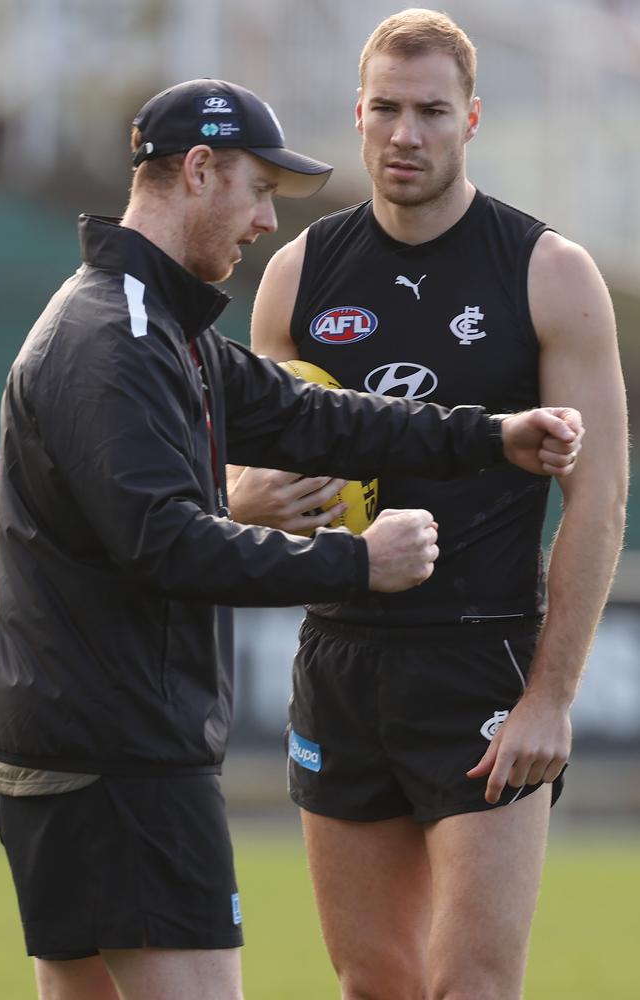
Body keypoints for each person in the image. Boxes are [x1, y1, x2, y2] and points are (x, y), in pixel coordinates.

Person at [0, 76, 583, 1000]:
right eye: (258, 189)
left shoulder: (157, 329)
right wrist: (360, 561)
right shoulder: (119, 336)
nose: (268, 220)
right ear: (198, 170)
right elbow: (171, 545)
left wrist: (488, 435)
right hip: (123, 755)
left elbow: (320, 419)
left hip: (65, 745)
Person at [228, 10, 628, 1000]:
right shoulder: (298, 272)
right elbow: (237, 479)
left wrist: (549, 697)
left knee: (473, 986)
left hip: (481, 659)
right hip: (338, 659)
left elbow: (598, 496)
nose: (406, 134)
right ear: (358, 117)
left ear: (471, 120)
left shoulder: (548, 274)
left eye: (431, 112)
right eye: (387, 109)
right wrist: (266, 496)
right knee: (374, 983)